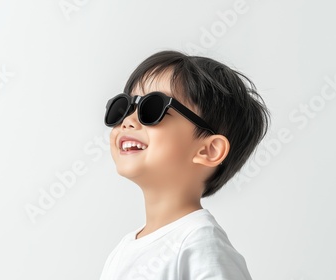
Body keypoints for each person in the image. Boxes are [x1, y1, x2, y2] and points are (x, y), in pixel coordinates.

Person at [99, 50, 270, 280]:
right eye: (124, 107)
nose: (128, 121)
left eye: (152, 109)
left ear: (208, 150)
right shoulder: (123, 250)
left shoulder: (199, 242)